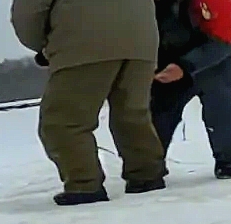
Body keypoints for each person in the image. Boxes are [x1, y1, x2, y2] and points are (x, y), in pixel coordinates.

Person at [11, 0, 167, 205]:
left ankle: (84, 184)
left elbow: (28, 13)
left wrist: (45, 44)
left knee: (64, 122)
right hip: (142, 41)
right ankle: (147, 174)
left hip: (83, 42)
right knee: (132, 114)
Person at [152, 0, 231, 180]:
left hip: (228, 50)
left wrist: (185, 66)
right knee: (161, 104)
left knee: (219, 101)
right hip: (178, 48)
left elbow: (224, 40)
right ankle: (147, 168)